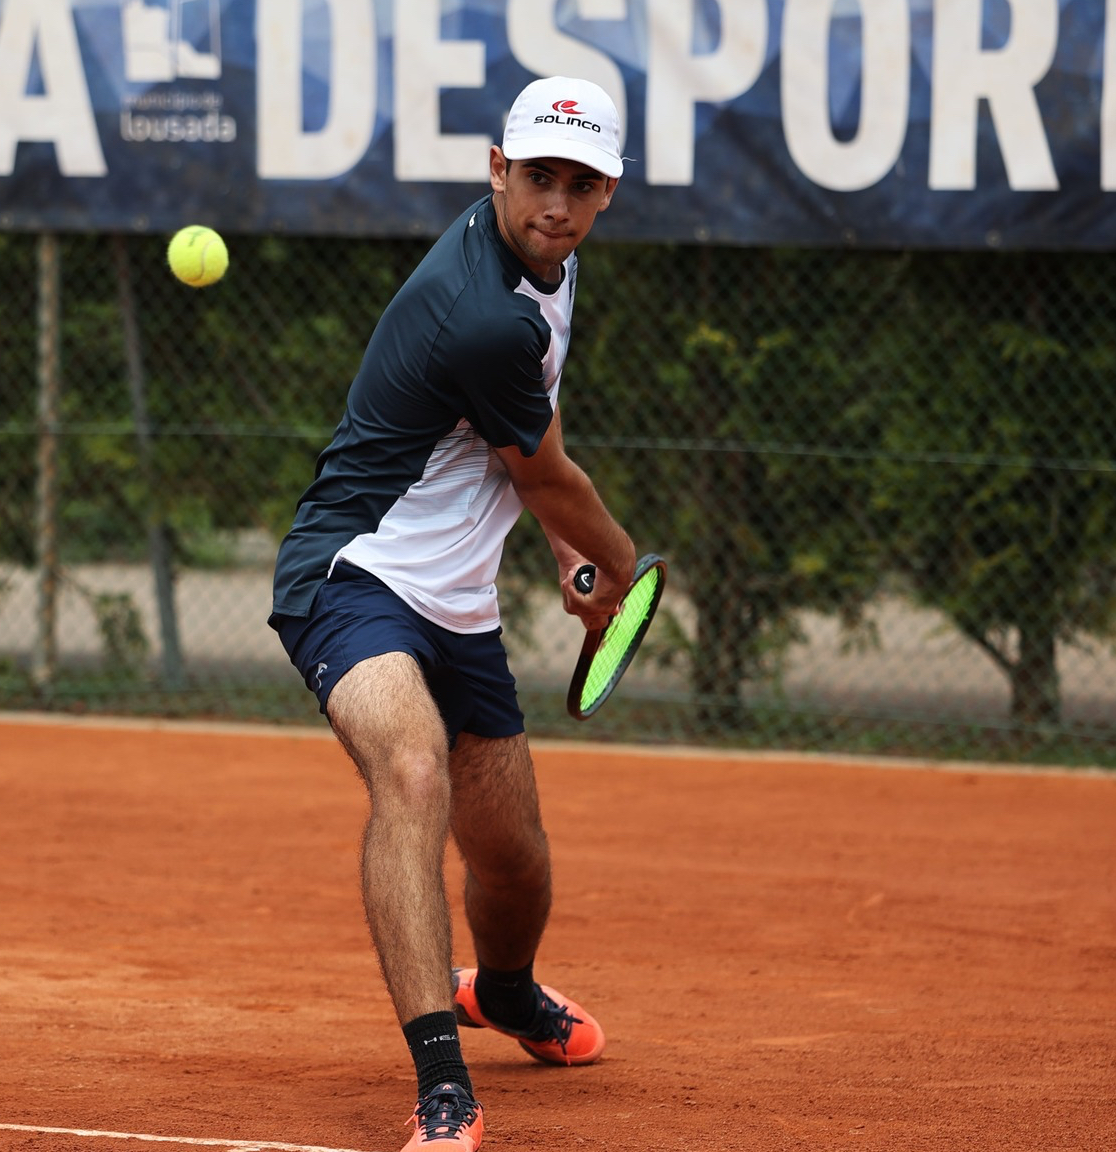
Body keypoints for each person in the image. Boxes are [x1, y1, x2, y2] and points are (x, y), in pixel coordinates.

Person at [267, 76, 635, 1151]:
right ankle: (441, 1084)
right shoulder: (479, 308)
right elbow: (553, 472)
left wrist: (567, 557)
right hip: (350, 572)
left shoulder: (547, 274)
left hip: (460, 605)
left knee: (513, 858)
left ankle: (506, 994)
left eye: (577, 184)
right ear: (496, 171)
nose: (553, 204)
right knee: (411, 773)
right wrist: (614, 564)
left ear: (606, 193)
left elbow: (520, 451)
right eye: (535, 179)